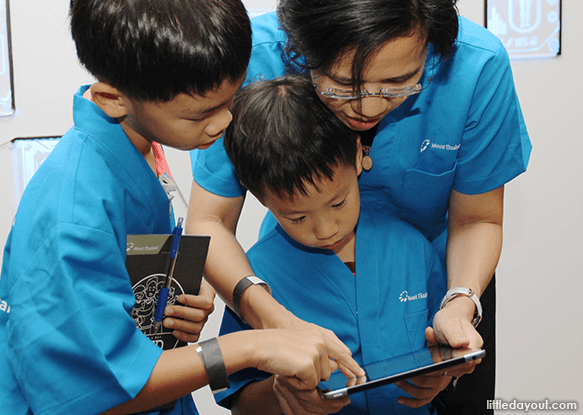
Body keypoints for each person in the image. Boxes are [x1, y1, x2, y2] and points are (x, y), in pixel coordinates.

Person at [0, 1, 361, 414]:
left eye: (229, 100)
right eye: (201, 114)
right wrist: (251, 346)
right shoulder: (73, 212)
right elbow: (95, 393)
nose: (223, 123)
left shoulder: (134, 148)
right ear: (113, 98)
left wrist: (166, 311)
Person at [186, 0, 532, 413]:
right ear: (301, 48)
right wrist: (267, 316)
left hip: (442, 290)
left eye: (397, 84)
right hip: (295, 289)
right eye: (340, 86)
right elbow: (208, 220)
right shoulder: (252, 58)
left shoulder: (477, 65)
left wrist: (459, 307)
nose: (367, 109)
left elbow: (477, 218)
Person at [215, 75, 454, 415]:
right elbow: (239, 398)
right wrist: (281, 393)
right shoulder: (255, 280)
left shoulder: (412, 248)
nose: (325, 230)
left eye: (338, 203)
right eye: (297, 218)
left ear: (358, 156)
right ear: (259, 196)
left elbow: (439, 344)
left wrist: (441, 371)